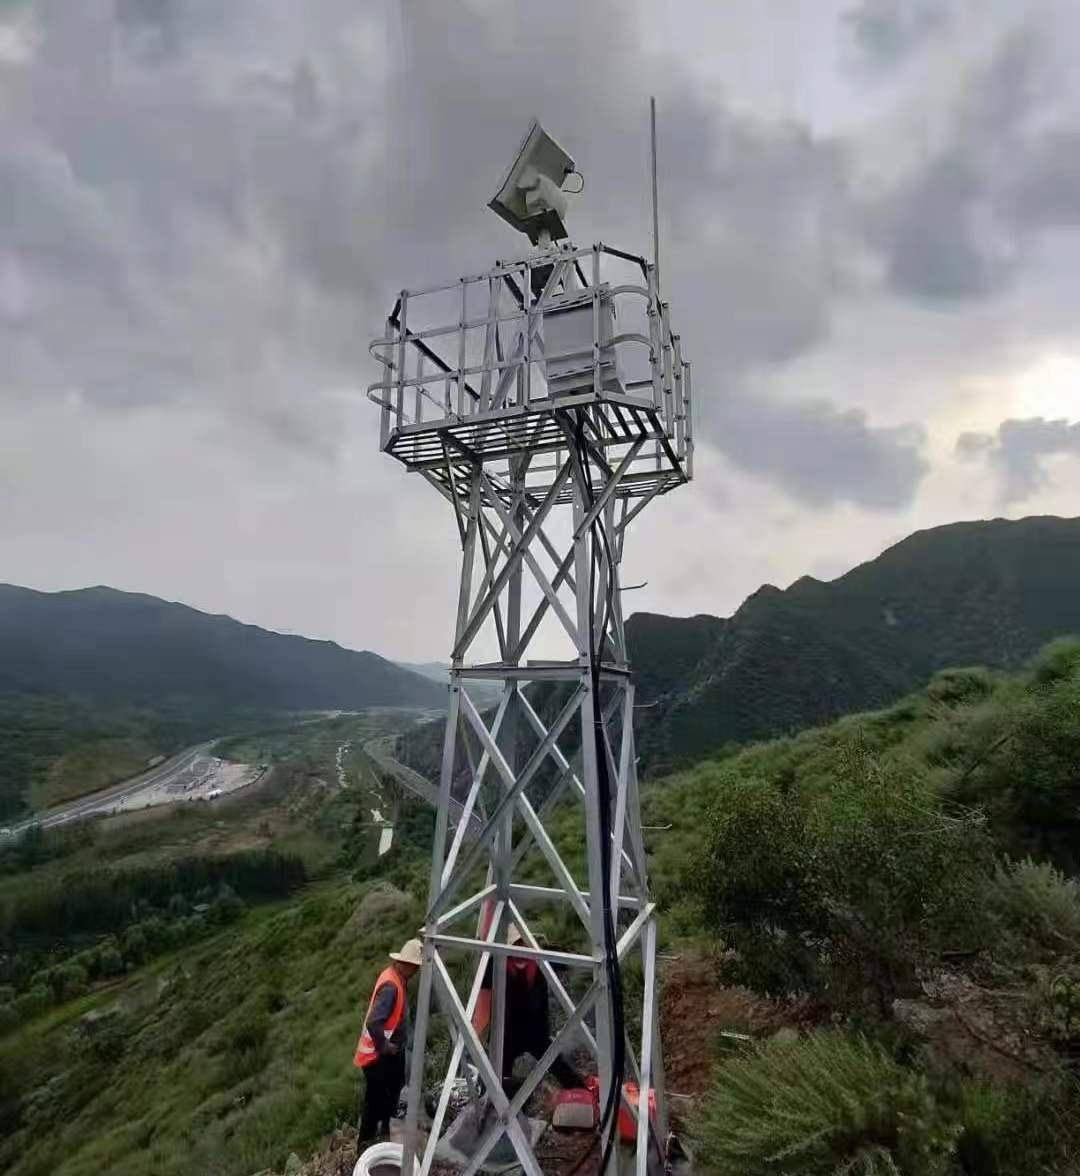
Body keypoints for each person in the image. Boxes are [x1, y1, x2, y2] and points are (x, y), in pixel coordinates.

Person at [472, 925, 585, 1093]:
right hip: (506, 1034)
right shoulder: (494, 965)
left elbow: (569, 960)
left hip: (536, 1032)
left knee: (559, 1067)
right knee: (494, 1079)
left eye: (522, 943)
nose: (520, 948)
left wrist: (562, 951)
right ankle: (493, 1106)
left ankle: (582, 1093)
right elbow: (483, 995)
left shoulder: (541, 959)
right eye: (515, 944)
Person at [354, 937, 423, 1145]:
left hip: (387, 1054)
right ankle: (365, 1144)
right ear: (407, 965)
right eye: (415, 967)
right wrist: (386, 1047)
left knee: (391, 1094)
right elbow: (375, 1022)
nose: (416, 972)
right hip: (378, 1056)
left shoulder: (394, 978)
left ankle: (385, 1132)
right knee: (374, 1103)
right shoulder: (392, 987)